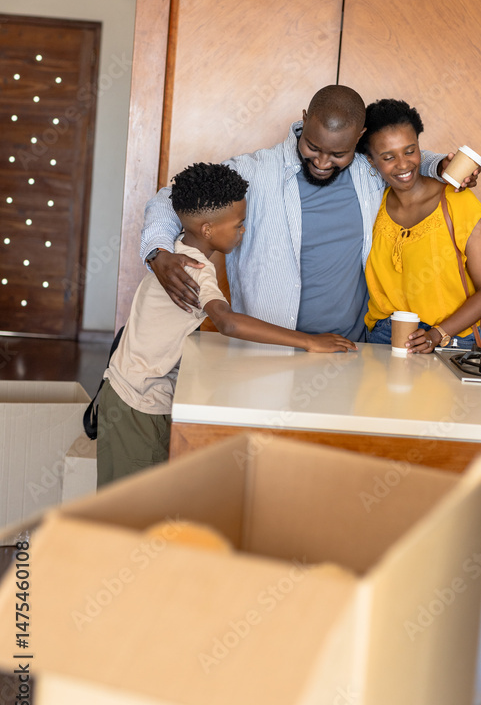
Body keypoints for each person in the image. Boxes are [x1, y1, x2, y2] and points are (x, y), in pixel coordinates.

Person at [141, 85, 480, 340]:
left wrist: (441, 167)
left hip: (350, 350)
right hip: (266, 354)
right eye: (313, 147)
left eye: (337, 154)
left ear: (359, 139)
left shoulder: (369, 172)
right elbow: (170, 198)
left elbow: (402, 160)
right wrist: (158, 252)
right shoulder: (256, 171)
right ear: (304, 120)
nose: (321, 162)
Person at [97, 162, 355, 487]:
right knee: (132, 503)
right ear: (207, 229)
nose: (243, 231)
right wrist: (309, 341)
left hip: (131, 392)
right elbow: (228, 323)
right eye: (239, 224)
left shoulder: (176, 248)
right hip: (138, 403)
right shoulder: (194, 268)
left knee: (131, 496)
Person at [358, 98, 481, 353]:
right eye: (388, 157)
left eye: (410, 151)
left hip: (450, 341)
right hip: (382, 338)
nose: (403, 164)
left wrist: (437, 334)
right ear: (371, 160)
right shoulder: (372, 207)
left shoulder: (459, 202)